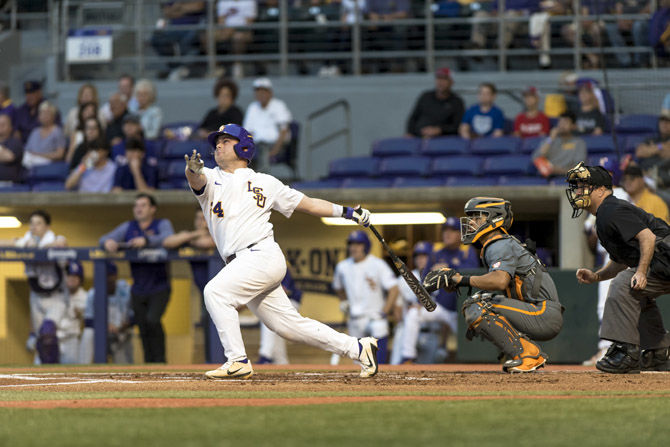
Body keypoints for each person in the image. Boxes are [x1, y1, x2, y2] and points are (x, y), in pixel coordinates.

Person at [184, 123, 379, 379]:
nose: (218, 145)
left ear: (243, 147)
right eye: (216, 141)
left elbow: (308, 204)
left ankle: (237, 360)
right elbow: (196, 179)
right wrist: (191, 170)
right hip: (242, 263)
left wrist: (348, 212)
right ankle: (357, 348)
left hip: (261, 255)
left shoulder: (265, 182)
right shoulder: (211, 177)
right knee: (288, 326)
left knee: (215, 292)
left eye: (225, 140)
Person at [423, 197, 563, 373]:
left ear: (493, 219)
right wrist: (457, 282)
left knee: (478, 305)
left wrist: (461, 279)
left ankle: (529, 355)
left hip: (543, 314)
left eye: (477, 218)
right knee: (478, 301)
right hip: (537, 311)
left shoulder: (498, 244)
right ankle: (517, 353)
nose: (471, 223)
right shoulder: (500, 243)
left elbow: (499, 281)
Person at [567, 162, 670, 373]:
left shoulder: (611, 209)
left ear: (601, 189)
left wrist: (641, 272)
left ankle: (626, 353)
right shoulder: (603, 216)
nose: (577, 191)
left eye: (583, 186)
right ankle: (658, 353)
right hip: (662, 259)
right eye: (577, 187)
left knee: (624, 284)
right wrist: (596, 276)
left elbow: (648, 238)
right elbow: (620, 261)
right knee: (634, 291)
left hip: (664, 254)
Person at [100, 194, 175, 363]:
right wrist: (107, 243)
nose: (138, 209)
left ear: (152, 209)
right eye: (136, 206)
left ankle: (160, 361)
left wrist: (147, 240)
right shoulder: (128, 227)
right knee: (142, 327)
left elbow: (169, 238)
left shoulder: (162, 224)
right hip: (138, 287)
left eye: (143, 205)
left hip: (160, 286)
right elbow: (104, 238)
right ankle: (150, 364)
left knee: (153, 320)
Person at [582, 156, 630, 366]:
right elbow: (590, 236)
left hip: (619, 257)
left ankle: (608, 350)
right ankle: (611, 349)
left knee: (610, 303)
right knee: (611, 304)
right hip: (610, 256)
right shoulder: (607, 195)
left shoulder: (618, 194)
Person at [6, 210, 68, 364]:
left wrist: (39, 247)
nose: (34, 227)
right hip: (36, 296)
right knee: (41, 339)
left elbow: (61, 243)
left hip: (56, 297)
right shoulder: (27, 240)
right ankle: (45, 376)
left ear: (47, 226)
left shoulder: (55, 238)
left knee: (48, 332)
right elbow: (9, 242)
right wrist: (25, 244)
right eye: (32, 223)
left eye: (38, 223)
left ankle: (53, 370)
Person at [332, 230, 399, 365]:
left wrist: (384, 311)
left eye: (358, 244)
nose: (354, 247)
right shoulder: (342, 267)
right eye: (351, 244)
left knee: (378, 362)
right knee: (360, 365)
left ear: (366, 246)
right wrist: (344, 301)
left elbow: (394, 288)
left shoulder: (377, 264)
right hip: (355, 319)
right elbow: (338, 287)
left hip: (375, 317)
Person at [162, 208, 219, 363]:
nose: (201, 222)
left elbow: (208, 243)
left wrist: (189, 238)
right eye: (198, 218)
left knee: (219, 329)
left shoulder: (218, 233)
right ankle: (211, 362)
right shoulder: (191, 237)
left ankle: (224, 361)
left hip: (224, 293)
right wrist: (193, 234)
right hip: (204, 294)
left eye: (204, 218)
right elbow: (167, 242)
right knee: (207, 328)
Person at [79, 261, 134, 364]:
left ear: (115, 276)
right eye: (105, 276)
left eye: (111, 276)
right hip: (100, 334)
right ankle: (83, 367)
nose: (108, 279)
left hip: (121, 332)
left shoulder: (125, 289)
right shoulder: (93, 293)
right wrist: (105, 326)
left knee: (123, 365)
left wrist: (124, 325)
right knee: (88, 333)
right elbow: (88, 321)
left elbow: (134, 316)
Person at [243, 78, 293, 173]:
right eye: (258, 91)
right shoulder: (252, 107)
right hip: (256, 145)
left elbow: (284, 130)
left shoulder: (279, 105)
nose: (261, 94)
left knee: (263, 151)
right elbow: (248, 132)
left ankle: (263, 183)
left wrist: (275, 150)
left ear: (270, 92)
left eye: (264, 91)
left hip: (277, 146)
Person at [150, 1, 205, 81]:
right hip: (173, 29)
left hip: (194, 27)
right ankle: (176, 67)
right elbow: (167, 12)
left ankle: (181, 68)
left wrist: (178, 7)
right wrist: (186, 9)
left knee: (189, 40)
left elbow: (199, 6)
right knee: (156, 39)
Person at [257, 268, 303, 364]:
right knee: (277, 331)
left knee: (268, 315)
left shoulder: (279, 265)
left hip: (290, 302)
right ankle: (281, 362)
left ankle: (265, 356)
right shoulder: (256, 269)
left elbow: (283, 291)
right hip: (276, 303)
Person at [406, 68, 465, 138]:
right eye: (438, 79)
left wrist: (439, 130)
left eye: (444, 79)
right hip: (418, 137)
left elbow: (457, 126)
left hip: (441, 140)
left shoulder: (456, 102)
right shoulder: (425, 96)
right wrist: (409, 132)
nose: (440, 82)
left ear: (451, 82)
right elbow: (413, 118)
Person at [532, 111, 587, 178]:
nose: (562, 125)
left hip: (568, 178)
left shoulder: (579, 143)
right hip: (547, 177)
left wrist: (560, 171)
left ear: (573, 126)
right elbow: (536, 158)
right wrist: (551, 139)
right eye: (560, 122)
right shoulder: (550, 140)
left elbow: (579, 168)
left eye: (565, 122)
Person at [211, 0, 257, 79]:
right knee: (208, 36)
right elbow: (221, 20)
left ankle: (237, 66)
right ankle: (214, 67)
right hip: (225, 30)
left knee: (238, 37)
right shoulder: (223, 2)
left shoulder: (249, 1)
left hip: (243, 31)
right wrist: (226, 30)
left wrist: (232, 30)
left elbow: (249, 22)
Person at [58, 261, 88, 364]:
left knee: (71, 373)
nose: (71, 279)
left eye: (75, 276)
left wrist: (80, 315)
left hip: (71, 339)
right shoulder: (57, 293)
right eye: (69, 275)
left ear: (80, 279)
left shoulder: (85, 297)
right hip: (54, 339)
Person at [21, 101, 66, 169]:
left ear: (53, 116)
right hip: (31, 166)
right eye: (42, 113)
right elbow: (27, 151)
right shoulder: (34, 132)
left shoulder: (57, 131)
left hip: (49, 167)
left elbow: (60, 154)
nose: (44, 116)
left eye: (47, 113)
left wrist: (39, 155)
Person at [0, 114, 23, 183]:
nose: (0, 126)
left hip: (8, 184)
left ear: (10, 127)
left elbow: (9, 157)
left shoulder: (15, 142)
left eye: (3, 124)